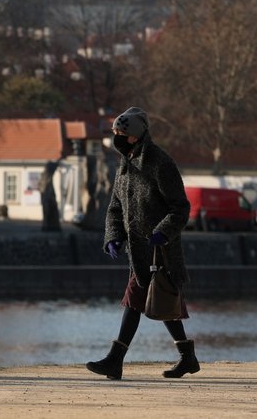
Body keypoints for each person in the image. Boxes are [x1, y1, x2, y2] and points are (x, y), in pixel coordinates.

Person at [86, 106, 200, 381]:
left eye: (119, 132)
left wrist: (163, 232)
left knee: (148, 301)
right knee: (154, 302)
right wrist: (113, 236)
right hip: (138, 253)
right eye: (114, 132)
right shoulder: (124, 164)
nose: (115, 137)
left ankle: (116, 360)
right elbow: (115, 207)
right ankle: (187, 357)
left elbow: (180, 208)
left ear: (134, 136)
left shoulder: (160, 162)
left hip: (160, 251)